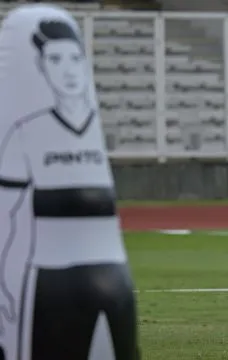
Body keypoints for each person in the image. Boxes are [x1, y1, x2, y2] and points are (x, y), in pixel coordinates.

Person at [0, 5, 140, 359]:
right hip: (45, 285)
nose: (68, 71)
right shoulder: (25, 132)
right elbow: (9, 221)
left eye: (73, 58)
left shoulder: (91, 133)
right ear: (41, 67)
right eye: (55, 59)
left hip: (113, 285)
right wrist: (8, 293)